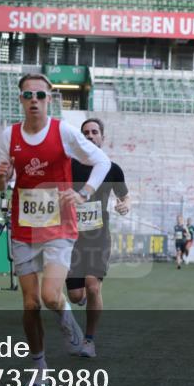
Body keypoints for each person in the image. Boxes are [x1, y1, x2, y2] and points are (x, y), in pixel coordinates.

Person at [0, 73, 111, 386]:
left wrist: (84, 192)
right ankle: (39, 366)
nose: (34, 100)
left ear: (50, 98)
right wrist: (2, 179)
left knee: (50, 296)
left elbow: (102, 161)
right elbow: (1, 186)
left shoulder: (63, 131)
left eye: (40, 95)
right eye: (28, 94)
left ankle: (66, 318)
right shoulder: (9, 135)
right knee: (30, 303)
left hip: (59, 226)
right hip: (24, 227)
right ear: (20, 99)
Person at [65, 117, 129, 359]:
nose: (90, 136)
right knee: (76, 295)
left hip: (98, 237)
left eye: (94, 132)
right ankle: (80, 301)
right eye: (86, 132)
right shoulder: (68, 165)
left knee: (93, 287)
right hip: (70, 237)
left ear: (102, 137)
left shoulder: (111, 168)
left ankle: (89, 340)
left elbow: (125, 196)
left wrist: (125, 205)